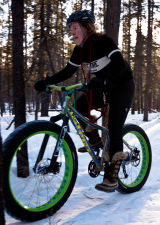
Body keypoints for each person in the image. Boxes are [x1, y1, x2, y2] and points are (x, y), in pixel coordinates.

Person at [34, 10, 135, 192]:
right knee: (79, 106)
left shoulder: (104, 41)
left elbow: (120, 65)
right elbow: (67, 72)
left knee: (114, 128)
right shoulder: (79, 51)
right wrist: (47, 82)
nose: (71, 32)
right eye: (70, 29)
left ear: (86, 27)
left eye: (74, 28)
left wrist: (103, 80)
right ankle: (94, 140)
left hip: (122, 86)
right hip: (102, 86)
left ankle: (111, 176)